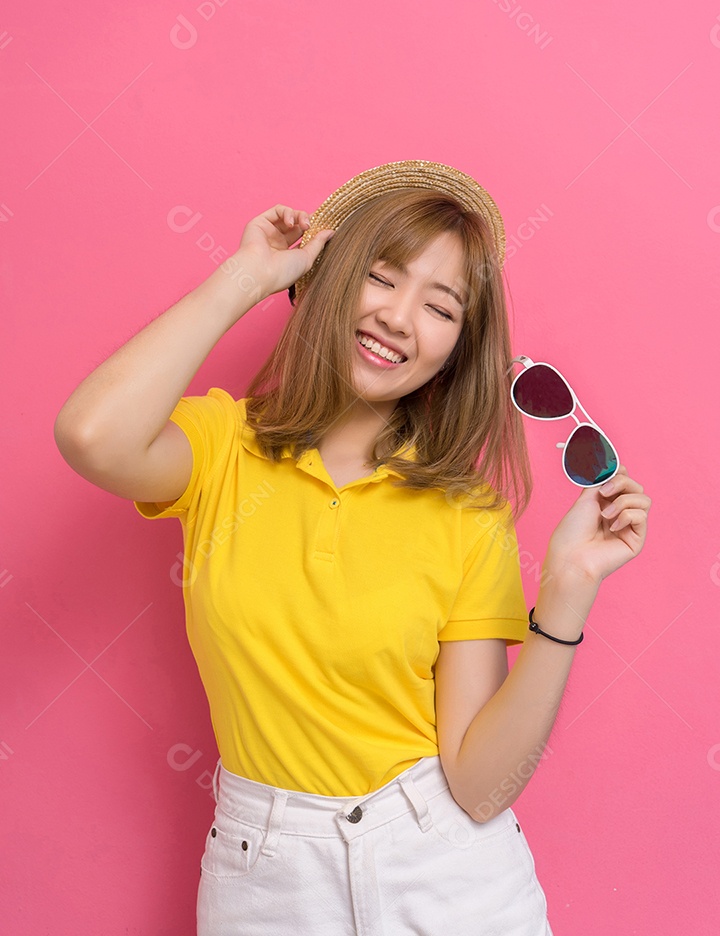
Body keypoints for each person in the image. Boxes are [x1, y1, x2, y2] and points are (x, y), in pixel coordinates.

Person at [54, 160, 651, 935]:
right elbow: (91, 435)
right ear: (328, 280)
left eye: (440, 307)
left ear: (455, 349)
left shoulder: (467, 516)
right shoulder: (221, 448)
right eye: (380, 277)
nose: (400, 318)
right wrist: (248, 276)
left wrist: (568, 591)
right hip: (264, 875)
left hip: (446, 870)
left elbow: (477, 785)